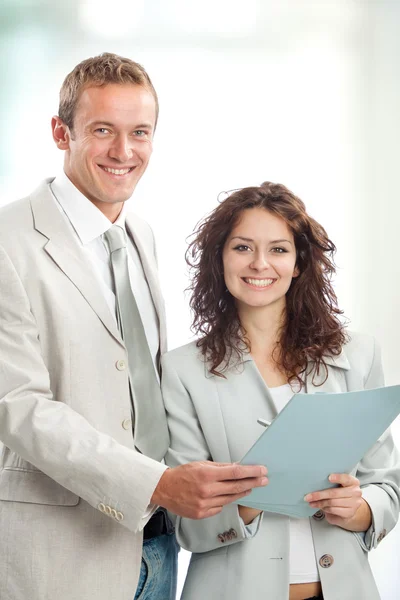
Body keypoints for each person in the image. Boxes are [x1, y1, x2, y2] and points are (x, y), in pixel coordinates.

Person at [0, 53, 267, 600]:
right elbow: (18, 406)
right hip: (59, 552)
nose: (124, 152)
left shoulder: (140, 234)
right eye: (103, 131)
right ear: (60, 132)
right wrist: (158, 483)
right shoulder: (9, 243)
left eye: (139, 132)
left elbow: (139, 382)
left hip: (157, 546)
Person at [162, 181, 400, 600]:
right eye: (241, 248)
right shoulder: (182, 371)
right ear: (219, 260)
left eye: (278, 249)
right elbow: (184, 525)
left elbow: (387, 486)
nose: (259, 264)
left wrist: (359, 510)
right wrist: (252, 499)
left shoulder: (358, 354)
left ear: (298, 263)